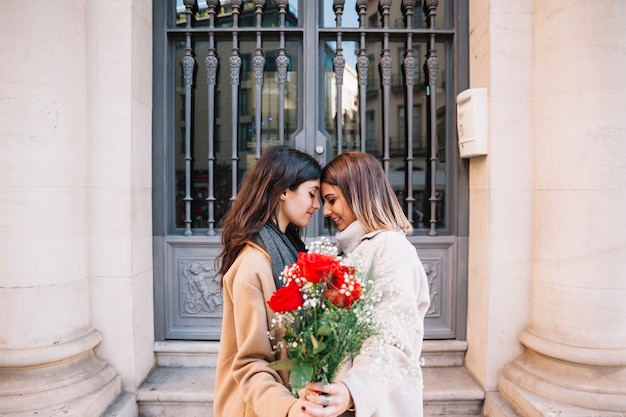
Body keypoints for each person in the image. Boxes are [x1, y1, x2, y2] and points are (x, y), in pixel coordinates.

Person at [300, 151, 431, 417]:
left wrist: (352, 389)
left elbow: (392, 339)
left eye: (332, 200)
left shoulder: (392, 249)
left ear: (358, 193)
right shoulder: (359, 249)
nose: (325, 211)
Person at [213, 145, 323, 417]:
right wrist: (287, 408)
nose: (317, 205)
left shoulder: (288, 247)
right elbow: (250, 362)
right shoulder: (254, 266)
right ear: (284, 190)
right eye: (312, 194)